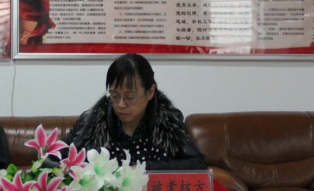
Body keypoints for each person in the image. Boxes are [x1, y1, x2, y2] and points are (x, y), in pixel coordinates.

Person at [53, 53, 206, 171]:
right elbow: (52, 156)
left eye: (130, 97)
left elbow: (197, 163)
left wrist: (144, 168)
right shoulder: (91, 121)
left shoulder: (168, 121)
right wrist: (63, 168)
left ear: (150, 92)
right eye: (114, 96)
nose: (120, 104)